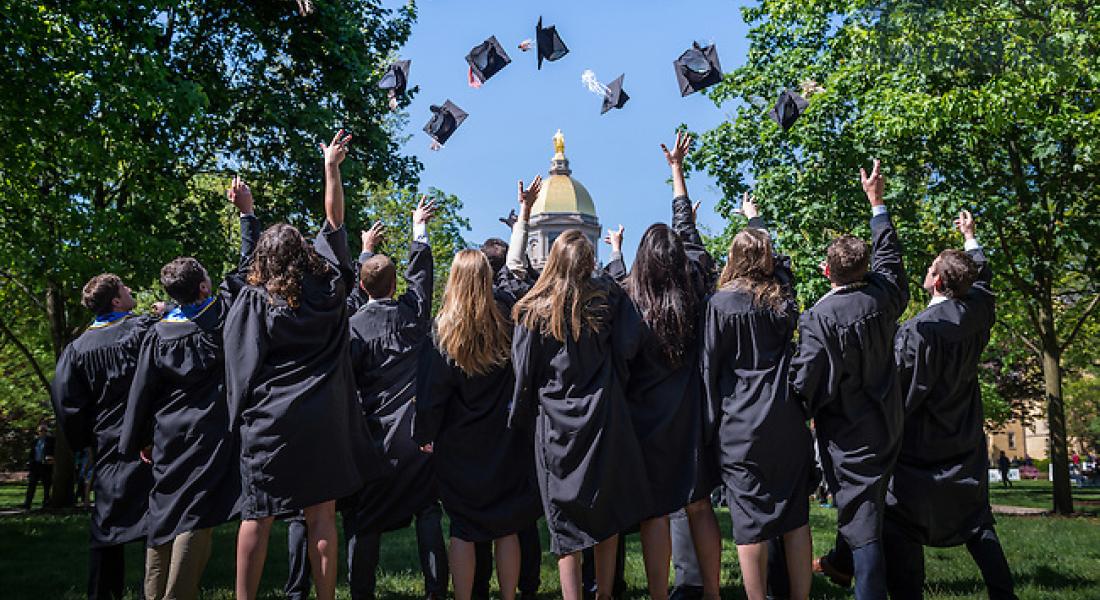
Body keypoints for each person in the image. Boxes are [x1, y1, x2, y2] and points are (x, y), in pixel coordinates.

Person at [224, 130, 381, 600]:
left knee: (258, 515)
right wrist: (331, 167)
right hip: (325, 418)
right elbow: (335, 225)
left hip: (272, 422)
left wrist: (246, 215)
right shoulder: (331, 288)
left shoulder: (256, 299)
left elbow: (239, 363)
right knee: (321, 515)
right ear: (304, 253)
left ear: (263, 261)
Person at [119, 176, 258, 600]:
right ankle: (177, 594)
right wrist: (246, 214)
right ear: (201, 287)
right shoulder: (221, 316)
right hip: (209, 432)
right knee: (194, 515)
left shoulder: (159, 332)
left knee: (163, 511)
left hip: (167, 436)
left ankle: (153, 591)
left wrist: (140, 438)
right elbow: (246, 268)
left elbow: (141, 391)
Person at [602, 132, 724, 600]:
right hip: (691, 414)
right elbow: (689, 235)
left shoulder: (631, 302)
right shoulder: (695, 287)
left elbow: (623, 360)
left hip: (646, 421)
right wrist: (677, 172)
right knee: (697, 506)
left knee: (654, 512)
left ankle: (658, 595)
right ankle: (711, 593)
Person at [510, 228, 653, 600]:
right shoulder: (609, 298)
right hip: (603, 413)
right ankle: (604, 593)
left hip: (556, 421)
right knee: (606, 512)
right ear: (589, 262)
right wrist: (611, 381)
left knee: (564, 522)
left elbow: (524, 372)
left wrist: (523, 418)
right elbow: (628, 345)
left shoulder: (533, 309)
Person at [884, 210, 1017, 599]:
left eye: (929, 268)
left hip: (922, 443)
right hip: (963, 433)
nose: (926, 271)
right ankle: (1003, 594)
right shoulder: (978, 312)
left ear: (937, 281)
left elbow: (901, 389)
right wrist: (971, 237)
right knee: (977, 521)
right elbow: (985, 282)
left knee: (900, 522)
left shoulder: (917, 332)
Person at [790, 159, 908, 600]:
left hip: (848, 435)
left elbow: (806, 379)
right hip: (889, 423)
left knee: (862, 523)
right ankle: (842, 567)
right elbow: (890, 259)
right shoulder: (886, 296)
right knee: (869, 509)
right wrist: (877, 204)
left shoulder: (818, 318)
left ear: (826, 271)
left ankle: (870, 591)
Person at [701, 191, 813, 600]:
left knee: (749, 522)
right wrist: (756, 219)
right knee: (795, 517)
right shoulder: (783, 298)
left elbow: (709, 367)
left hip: (741, 421)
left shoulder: (719, 303)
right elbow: (779, 263)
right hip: (786, 415)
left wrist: (708, 426)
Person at [341, 195, 449, 600]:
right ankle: (437, 590)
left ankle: (361, 593)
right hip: (415, 437)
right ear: (394, 285)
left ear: (363, 286)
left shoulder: (351, 328)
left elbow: (353, 299)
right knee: (427, 512)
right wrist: (418, 228)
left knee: (364, 521)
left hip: (370, 440)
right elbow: (421, 278)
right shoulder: (413, 316)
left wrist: (365, 251)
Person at [52, 273, 157, 599]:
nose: (130, 290)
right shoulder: (142, 331)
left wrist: (85, 440)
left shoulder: (77, 349)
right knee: (153, 527)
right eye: (125, 288)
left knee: (106, 528)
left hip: (107, 444)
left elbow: (67, 404)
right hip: (148, 443)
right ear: (115, 300)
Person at [23, 423, 55, 510]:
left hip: (46, 466)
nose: (43, 432)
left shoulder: (51, 441)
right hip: (35, 466)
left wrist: (52, 459)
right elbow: (31, 454)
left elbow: (55, 452)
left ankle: (46, 504)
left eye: (45, 430)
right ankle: (27, 504)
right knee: (31, 485)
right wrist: (30, 462)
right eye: (41, 431)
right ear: (38, 432)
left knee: (47, 486)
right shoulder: (35, 441)